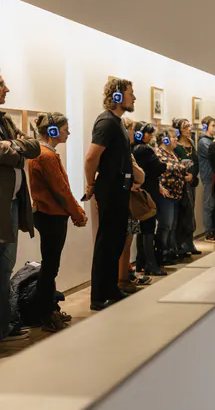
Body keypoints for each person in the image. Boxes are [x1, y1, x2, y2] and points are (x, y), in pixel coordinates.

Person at [27, 113, 86, 332]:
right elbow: (61, 191)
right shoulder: (46, 156)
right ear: (52, 131)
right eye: (65, 129)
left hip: (49, 214)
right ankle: (46, 314)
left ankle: (49, 308)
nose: (68, 133)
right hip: (51, 215)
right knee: (50, 266)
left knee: (51, 265)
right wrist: (77, 213)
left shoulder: (44, 154)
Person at [84, 77, 136, 311]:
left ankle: (111, 289)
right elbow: (91, 157)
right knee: (106, 243)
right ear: (117, 96)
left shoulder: (119, 123)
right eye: (130, 93)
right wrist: (89, 184)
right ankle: (98, 296)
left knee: (115, 242)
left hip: (120, 190)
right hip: (110, 190)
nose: (134, 97)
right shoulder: (106, 122)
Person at [0, 74, 40, 341]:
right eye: (1, 84)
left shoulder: (4, 119)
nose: (7, 89)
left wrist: (13, 145)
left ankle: (5, 325)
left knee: (6, 266)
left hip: (13, 205)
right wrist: (16, 147)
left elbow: (34, 147)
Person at [132, 122, 168, 276]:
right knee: (148, 227)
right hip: (148, 192)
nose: (152, 136)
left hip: (143, 190)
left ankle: (141, 262)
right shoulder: (144, 149)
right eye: (149, 133)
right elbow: (160, 167)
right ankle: (150, 264)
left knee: (143, 227)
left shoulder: (135, 148)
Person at [119, 118, 149, 294]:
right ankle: (122, 279)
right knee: (124, 243)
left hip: (122, 201)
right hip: (124, 204)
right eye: (132, 130)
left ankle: (124, 277)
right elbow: (140, 175)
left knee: (125, 242)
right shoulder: (124, 152)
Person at [154, 128, 191, 265]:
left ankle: (169, 251)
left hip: (176, 194)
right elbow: (161, 169)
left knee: (171, 226)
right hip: (166, 194)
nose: (176, 139)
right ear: (165, 139)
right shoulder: (158, 152)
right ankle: (161, 253)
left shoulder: (172, 153)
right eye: (173, 137)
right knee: (165, 225)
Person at [173, 118, 201, 256]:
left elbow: (196, 163)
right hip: (181, 184)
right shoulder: (176, 146)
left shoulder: (191, 143)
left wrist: (193, 176)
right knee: (182, 212)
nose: (189, 129)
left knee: (190, 212)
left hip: (191, 183)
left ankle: (189, 241)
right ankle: (180, 243)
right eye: (185, 127)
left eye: (189, 126)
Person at [198, 116, 215, 242]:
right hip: (208, 177)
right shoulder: (204, 142)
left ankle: (213, 231)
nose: (214, 128)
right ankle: (209, 232)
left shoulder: (211, 140)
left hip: (214, 176)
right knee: (209, 206)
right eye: (212, 125)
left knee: (214, 205)